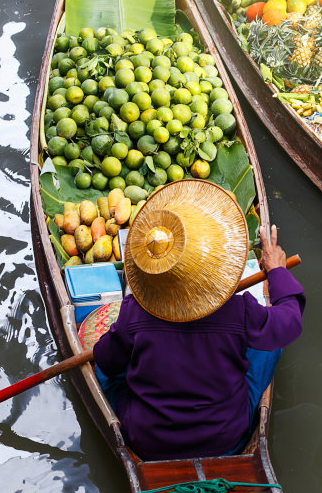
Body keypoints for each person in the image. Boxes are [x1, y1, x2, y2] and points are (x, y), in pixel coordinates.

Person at [91, 179, 306, 462]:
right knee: (269, 343)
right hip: (225, 437)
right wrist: (277, 271)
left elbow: (106, 361)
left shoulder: (135, 311)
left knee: (105, 363)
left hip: (148, 440)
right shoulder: (240, 310)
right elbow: (289, 322)